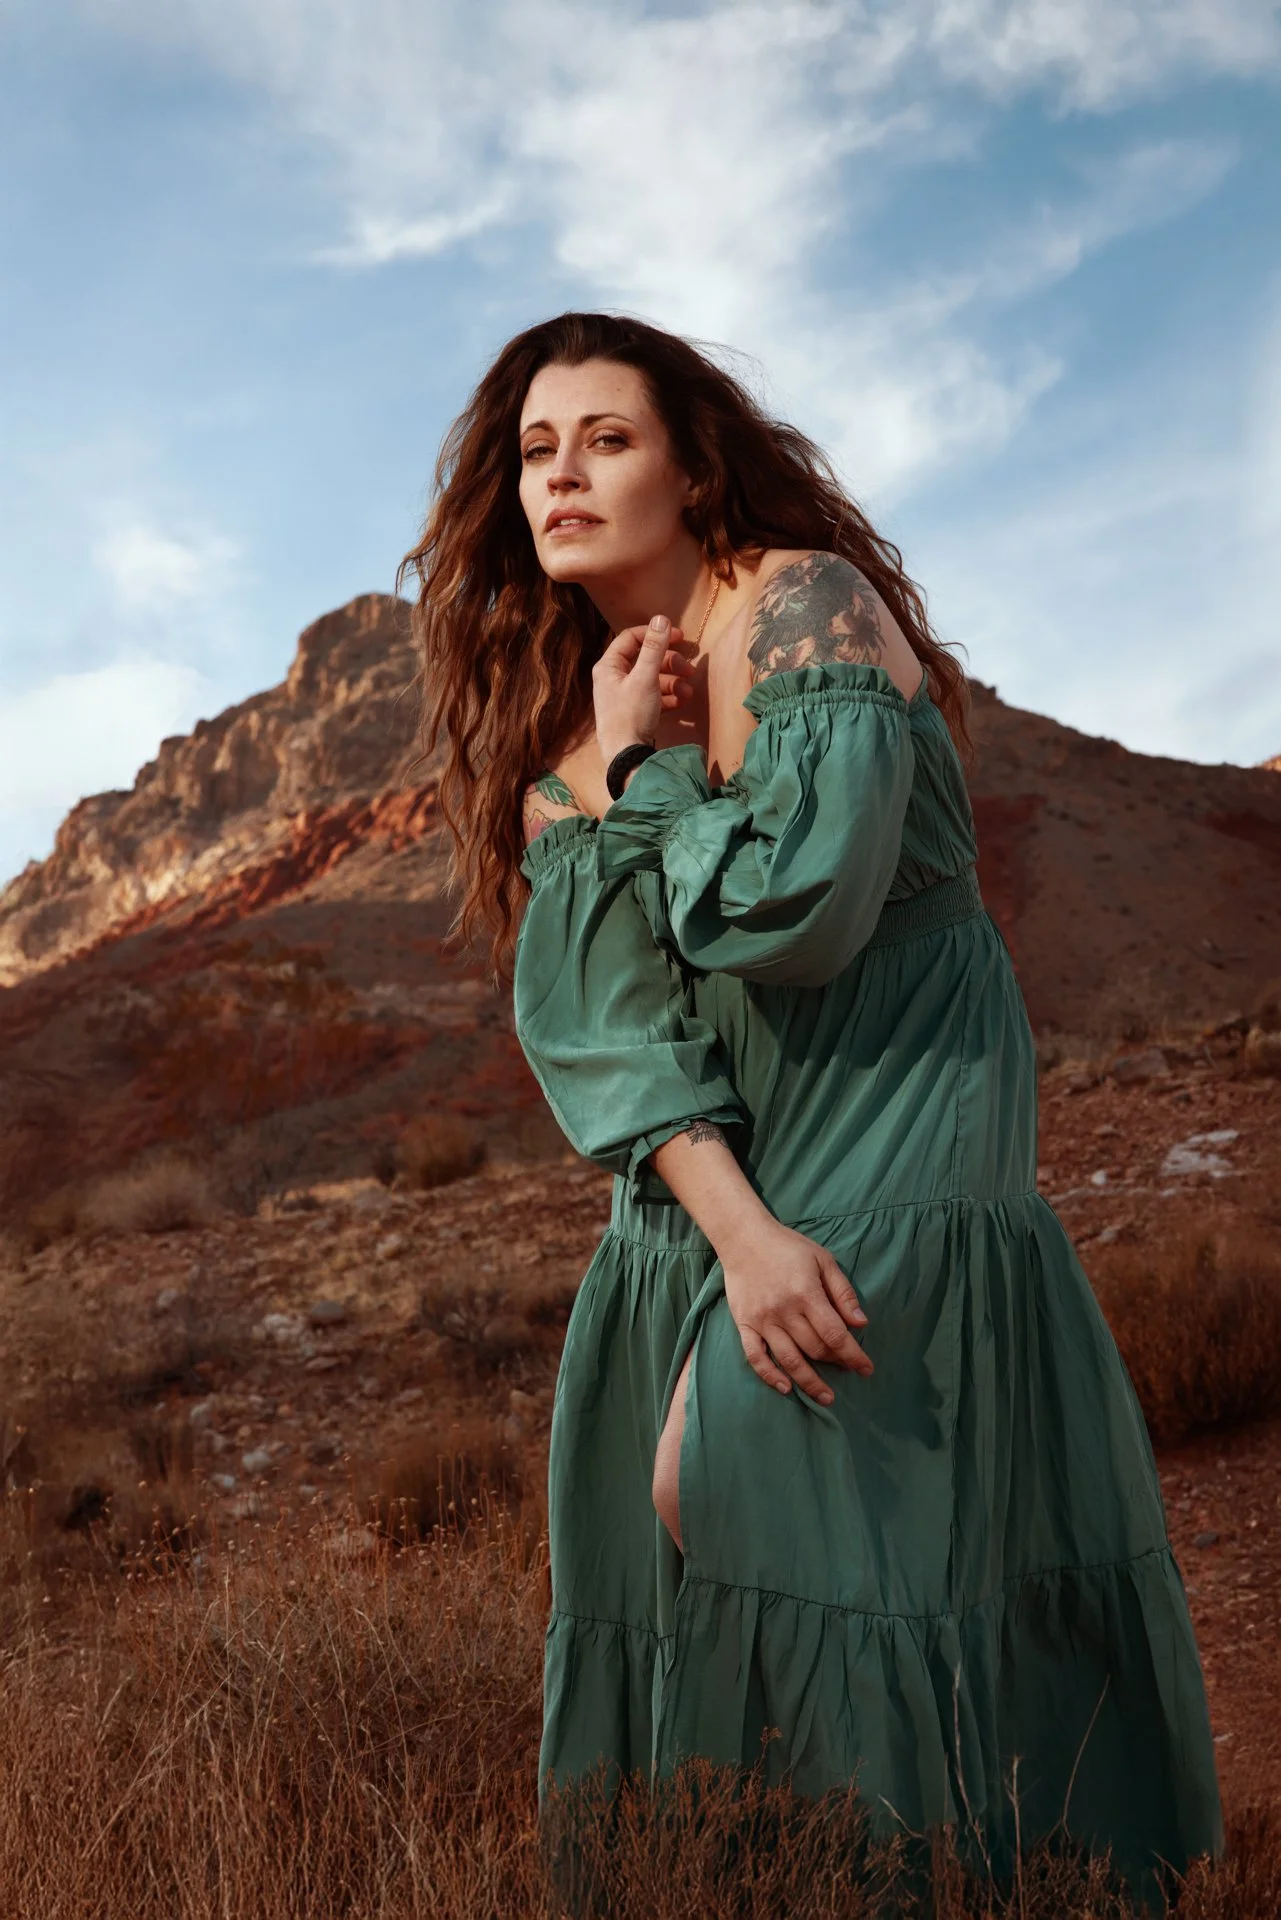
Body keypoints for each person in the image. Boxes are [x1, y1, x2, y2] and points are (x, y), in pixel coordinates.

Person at [399, 311, 1222, 1900]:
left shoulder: (804, 609)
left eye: (607, 439)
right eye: (533, 452)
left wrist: (647, 791)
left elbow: (806, 909)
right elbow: (610, 1040)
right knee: (720, 1543)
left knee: (744, 1485)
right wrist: (741, 1237)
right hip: (715, 1192)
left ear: (697, 466)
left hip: (903, 1118)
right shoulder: (576, 743)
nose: (561, 476)